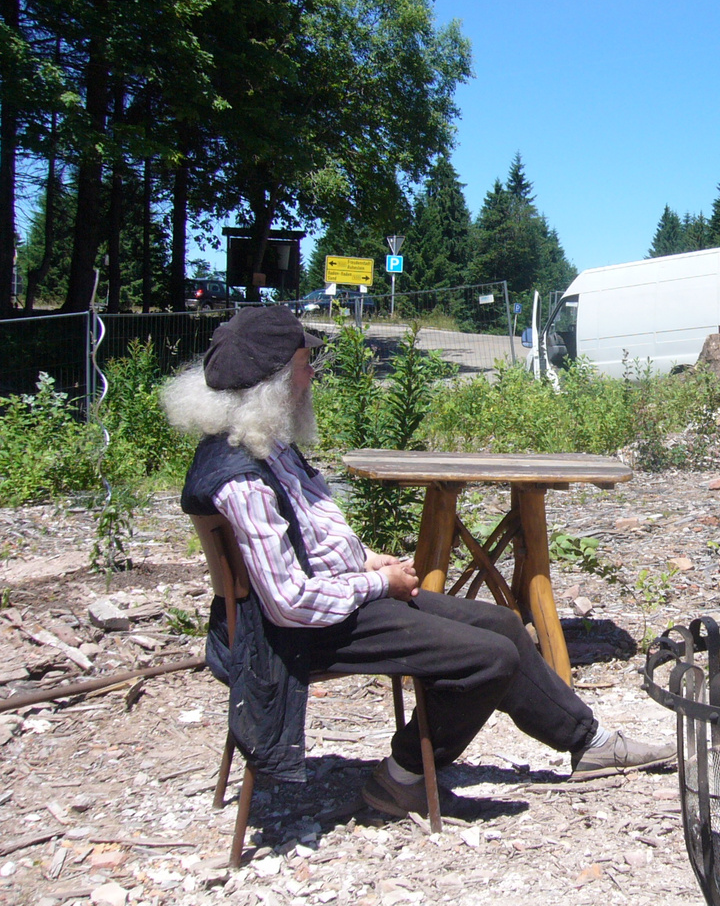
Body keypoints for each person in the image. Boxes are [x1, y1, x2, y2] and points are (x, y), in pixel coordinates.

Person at [162, 306, 673, 816]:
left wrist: (363, 560)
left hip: (329, 600)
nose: (312, 374)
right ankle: (400, 777)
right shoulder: (241, 478)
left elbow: (306, 538)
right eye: (303, 363)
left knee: (501, 623)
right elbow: (289, 601)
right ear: (271, 381)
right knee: (488, 658)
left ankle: (590, 741)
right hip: (290, 633)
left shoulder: (263, 445)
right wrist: (379, 584)